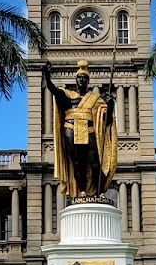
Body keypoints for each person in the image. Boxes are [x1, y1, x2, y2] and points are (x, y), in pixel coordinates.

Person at [45, 59, 118, 199]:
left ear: (88, 81)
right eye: (79, 77)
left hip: (89, 130)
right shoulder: (68, 95)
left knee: (96, 163)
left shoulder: (95, 99)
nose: (82, 80)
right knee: (77, 163)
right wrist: (47, 77)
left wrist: (110, 106)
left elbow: (107, 121)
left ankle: (99, 191)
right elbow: (54, 91)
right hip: (70, 130)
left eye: (84, 78)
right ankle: (82, 191)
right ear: (76, 80)